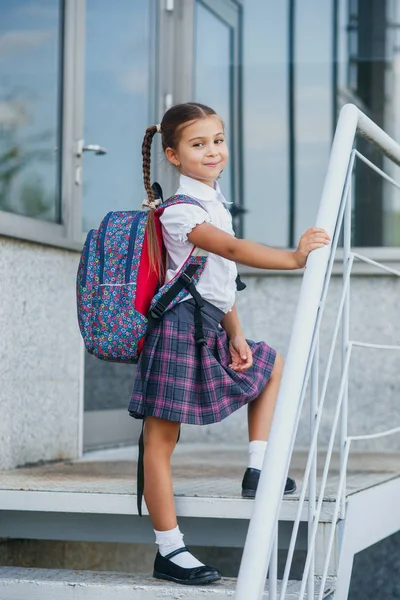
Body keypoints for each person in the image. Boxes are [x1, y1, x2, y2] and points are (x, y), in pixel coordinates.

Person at [128, 102, 330, 585]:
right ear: (174, 157)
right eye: (198, 144)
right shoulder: (179, 211)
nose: (213, 151)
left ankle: (257, 470)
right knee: (160, 442)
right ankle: (169, 550)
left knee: (268, 363)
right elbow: (232, 251)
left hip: (208, 322)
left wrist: (234, 332)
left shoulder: (216, 202)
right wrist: (294, 258)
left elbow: (219, 277)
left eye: (218, 140)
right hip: (177, 328)